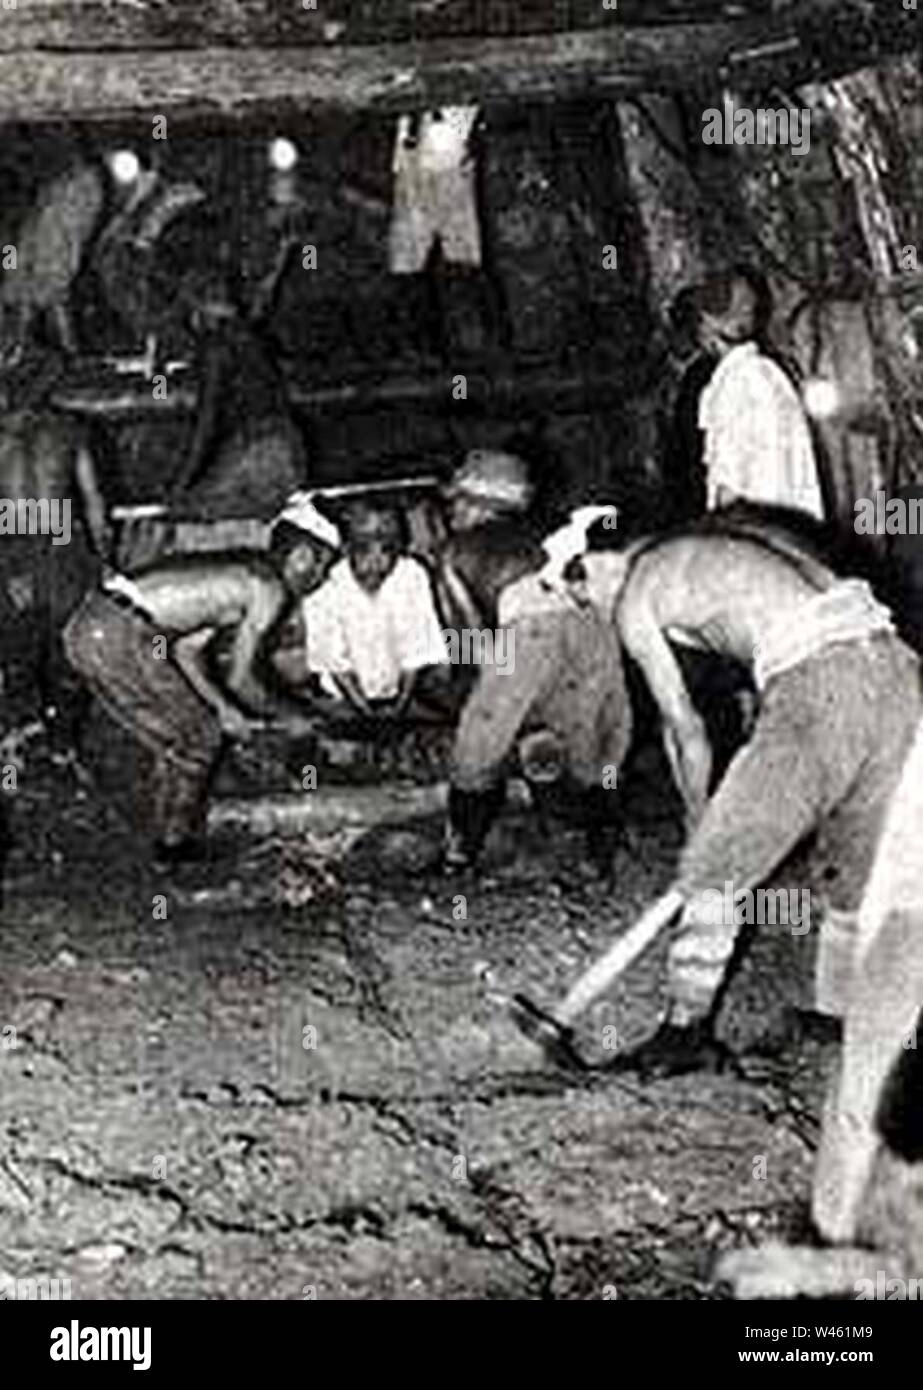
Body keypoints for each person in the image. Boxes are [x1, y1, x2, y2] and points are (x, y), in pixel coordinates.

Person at [510, 511, 921, 1078]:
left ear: (594, 568)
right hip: (900, 672)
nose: (597, 612)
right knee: (857, 870)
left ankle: (684, 1034)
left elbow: (686, 732)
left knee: (718, 872)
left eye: (584, 597)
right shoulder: (716, 539)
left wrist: (700, 830)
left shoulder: (635, 593)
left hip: (823, 681)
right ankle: (839, 1017)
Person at [63, 510, 330, 859]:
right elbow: (242, 678)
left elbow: (187, 651)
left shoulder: (238, 574)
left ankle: (168, 839)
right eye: (323, 565)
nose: (322, 577)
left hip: (93, 625)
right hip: (119, 632)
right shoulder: (268, 587)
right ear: (302, 557)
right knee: (200, 736)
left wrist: (224, 708)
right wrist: (295, 716)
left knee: (184, 736)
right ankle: (175, 848)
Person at [445, 506, 631, 873]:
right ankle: (600, 850)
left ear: (469, 500)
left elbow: (469, 638)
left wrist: (483, 697)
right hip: (593, 624)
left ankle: (458, 855)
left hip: (528, 630)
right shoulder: (552, 524)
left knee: (478, 746)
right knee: (601, 742)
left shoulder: (456, 550)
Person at [302, 501, 450, 724]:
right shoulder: (324, 586)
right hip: (342, 698)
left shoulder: (412, 574)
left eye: (387, 549)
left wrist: (401, 705)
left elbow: (416, 646)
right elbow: (333, 659)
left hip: (401, 695)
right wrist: (365, 712)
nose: (376, 561)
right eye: (364, 549)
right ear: (346, 547)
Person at [695, 272, 826, 521]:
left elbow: (728, 488)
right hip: (790, 536)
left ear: (708, 322)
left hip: (753, 542)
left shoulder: (734, 384)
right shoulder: (772, 374)